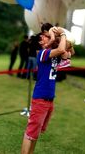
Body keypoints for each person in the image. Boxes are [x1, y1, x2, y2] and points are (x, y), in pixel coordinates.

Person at [21, 26, 67, 154]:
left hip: (49, 100)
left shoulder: (53, 55)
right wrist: (62, 34)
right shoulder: (42, 54)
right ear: (42, 41)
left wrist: (58, 37)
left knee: (35, 134)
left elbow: (68, 52)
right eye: (45, 36)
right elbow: (62, 48)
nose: (47, 36)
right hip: (40, 100)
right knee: (30, 133)